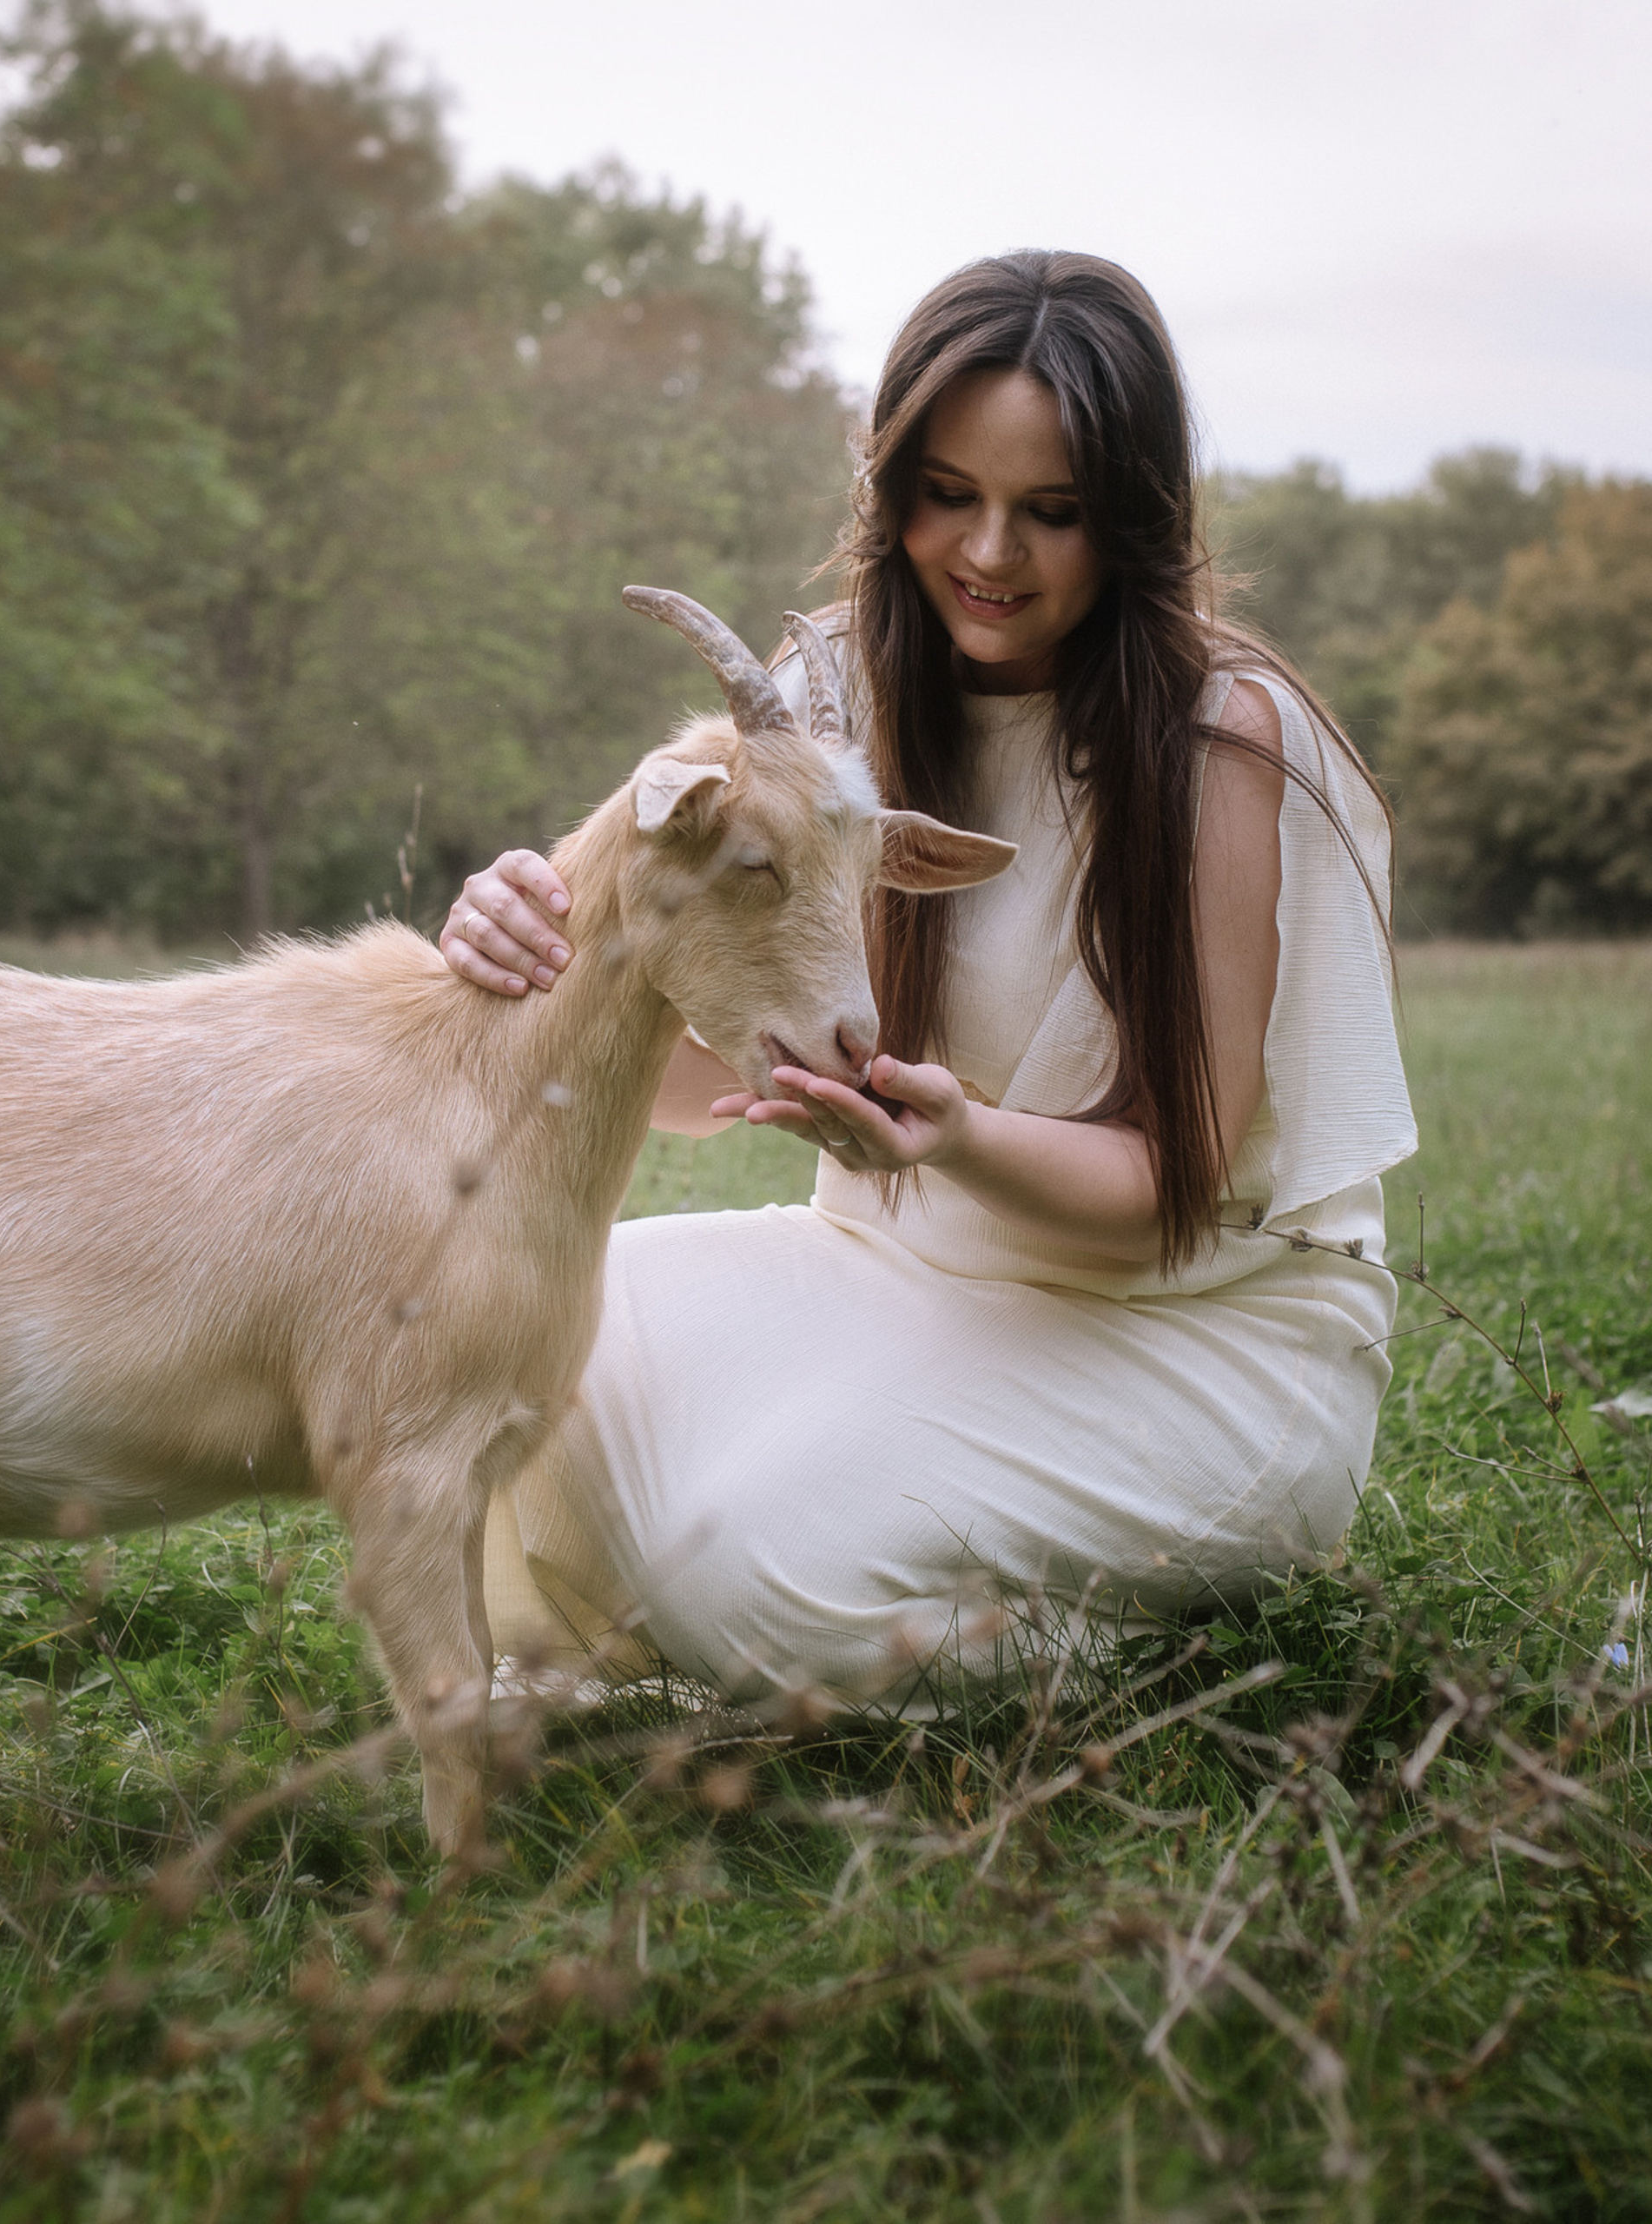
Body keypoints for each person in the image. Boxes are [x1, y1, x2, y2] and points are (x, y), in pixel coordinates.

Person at [444, 251, 1416, 1704]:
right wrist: (530, 964)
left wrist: (954, 1135)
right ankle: (699, 1641)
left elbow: (1167, 1198)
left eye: (1055, 512)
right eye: (949, 494)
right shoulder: (825, 697)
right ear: (889, 488)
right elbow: (707, 1069)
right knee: (519, 1341)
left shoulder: (1224, 744)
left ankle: (1165, 1654)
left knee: (750, 1569)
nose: (991, 554)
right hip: (895, 1271)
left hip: (1201, 1334)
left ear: (1134, 519)